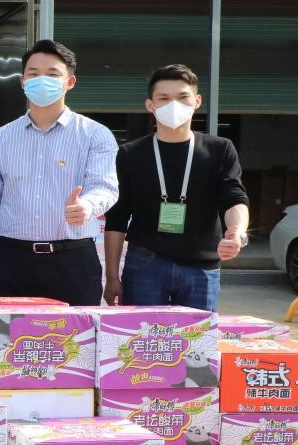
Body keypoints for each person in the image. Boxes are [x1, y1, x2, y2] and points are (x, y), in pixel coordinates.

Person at [0, 39, 119, 306]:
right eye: (34, 73)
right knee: (7, 332)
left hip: (72, 259)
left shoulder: (95, 135)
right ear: (22, 81)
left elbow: (105, 187)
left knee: (76, 332)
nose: (42, 80)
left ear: (70, 82)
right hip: (12, 260)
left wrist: (87, 206)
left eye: (52, 74)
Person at [103, 65, 249, 311]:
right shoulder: (131, 154)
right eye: (164, 98)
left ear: (197, 101)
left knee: (197, 335)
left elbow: (234, 197)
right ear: (150, 105)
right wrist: (112, 276)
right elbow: (117, 217)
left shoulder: (219, 149)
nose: (174, 105)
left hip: (201, 266)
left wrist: (237, 231)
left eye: (182, 97)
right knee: (142, 332)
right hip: (145, 264)